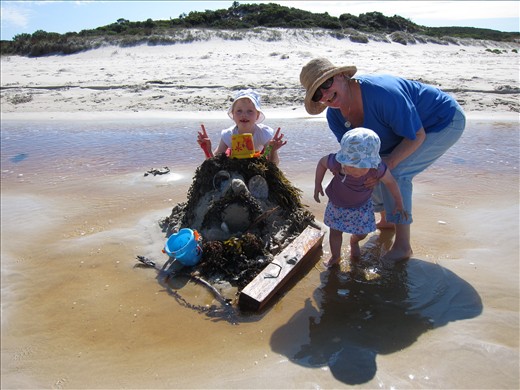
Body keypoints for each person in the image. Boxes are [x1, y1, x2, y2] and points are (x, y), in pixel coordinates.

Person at [300, 57, 466, 265]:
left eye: (326, 84)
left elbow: (417, 135)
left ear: (341, 76)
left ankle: (403, 246)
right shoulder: (334, 117)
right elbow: (358, 155)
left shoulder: (382, 94)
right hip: (407, 131)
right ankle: (387, 220)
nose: (325, 94)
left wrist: (390, 163)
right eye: (317, 93)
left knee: (395, 172)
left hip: (440, 120)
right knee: (374, 167)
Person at [314, 128, 407, 268]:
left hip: (361, 206)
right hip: (336, 204)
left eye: (363, 167)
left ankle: (354, 241)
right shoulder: (337, 162)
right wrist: (317, 184)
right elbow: (322, 163)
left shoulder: (377, 168)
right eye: (351, 166)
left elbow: (391, 183)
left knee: (363, 232)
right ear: (344, 159)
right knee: (335, 231)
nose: (356, 171)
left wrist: (399, 204)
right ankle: (335, 256)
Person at [197, 89, 286, 165]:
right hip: (235, 162)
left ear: (257, 116)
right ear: (233, 115)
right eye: (239, 111)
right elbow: (214, 163)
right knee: (224, 160)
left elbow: (273, 164)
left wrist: (273, 151)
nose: (244, 115)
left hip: (258, 160)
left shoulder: (263, 133)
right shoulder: (229, 134)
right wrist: (207, 149)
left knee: (265, 157)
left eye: (250, 111)